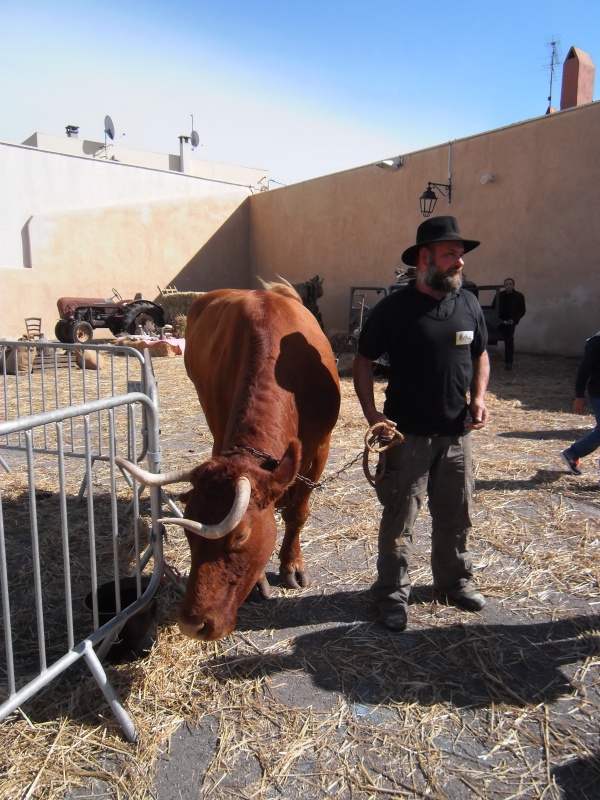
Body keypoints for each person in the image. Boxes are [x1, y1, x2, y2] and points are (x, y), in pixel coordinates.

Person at [353, 216, 490, 632]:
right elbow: (363, 363)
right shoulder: (394, 310)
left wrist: (479, 398)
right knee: (400, 519)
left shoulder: (467, 302)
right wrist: (373, 415)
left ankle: (454, 583)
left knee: (456, 514)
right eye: (451, 254)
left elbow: (481, 354)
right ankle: (391, 595)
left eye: (460, 255)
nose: (459, 264)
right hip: (406, 435)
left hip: (455, 435)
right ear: (424, 258)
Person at [560, 323, 600, 476]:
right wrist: (579, 396)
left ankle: (572, 453)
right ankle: (572, 453)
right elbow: (584, 371)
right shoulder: (596, 342)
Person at [497, 278, 526, 370]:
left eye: (510, 284)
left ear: (513, 285)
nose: (508, 286)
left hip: (510, 323)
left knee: (509, 342)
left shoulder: (519, 296)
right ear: (504, 285)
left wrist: (514, 319)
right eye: (506, 284)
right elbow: (494, 307)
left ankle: (509, 362)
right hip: (499, 322)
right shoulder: (500, 295)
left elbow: (522, 310)